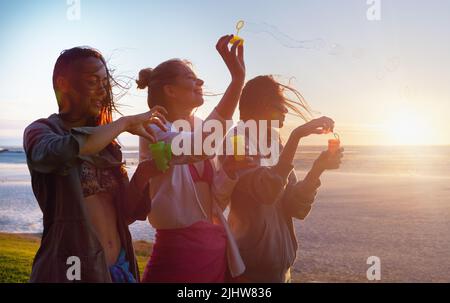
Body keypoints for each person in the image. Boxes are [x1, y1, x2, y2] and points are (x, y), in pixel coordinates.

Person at [23, 47, 167, 282]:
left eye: (105, 83)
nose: (102, 91)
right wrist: (124, 123)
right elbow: (59, 152)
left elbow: (126, 215)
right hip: (73, 271)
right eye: (93, 81)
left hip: (121, 269)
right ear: (63, 84)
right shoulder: (41, 131)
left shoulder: (108, 144)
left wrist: (143, 175)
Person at [137, 35, 253, 282]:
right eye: (190, 78)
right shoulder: (152, 126)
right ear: (170, 90)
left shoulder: (200, 126)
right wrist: (237, 82)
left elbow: (215, 203)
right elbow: (200, 146)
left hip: (214, 255)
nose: (200, 81)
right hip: (176, 259)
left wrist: (229, 173)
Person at [227, 75, 344, 282]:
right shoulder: (235, 142)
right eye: (281, 105)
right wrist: (296, 136)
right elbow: (267, 192)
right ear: (263, 105)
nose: (286, 111)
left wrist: (317, 170)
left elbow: (295, 208)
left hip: (281, 272)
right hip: (247, 274)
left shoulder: (274, 144)